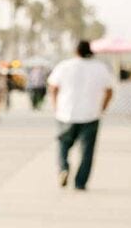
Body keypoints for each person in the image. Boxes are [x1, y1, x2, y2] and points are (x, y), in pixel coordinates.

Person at [48, 39, 114, 190]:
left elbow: (53, 87)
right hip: (91, 114)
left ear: (75, 51)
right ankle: (80, 182)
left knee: (63, 143)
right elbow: (110, 91)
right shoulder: (100, 68)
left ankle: (63, 168)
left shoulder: (64, 66)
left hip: (66, 113)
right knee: (87, 151)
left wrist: (55, 106)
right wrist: (102, 108)